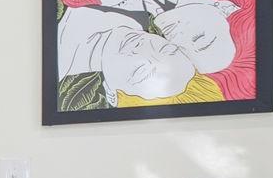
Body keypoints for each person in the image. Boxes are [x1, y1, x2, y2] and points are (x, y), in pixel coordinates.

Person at [57, 6, 200, 105]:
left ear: (110, 91)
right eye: (165, 48)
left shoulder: (58, 64)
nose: (142, 49)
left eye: (140, 71)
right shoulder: (137, 4)